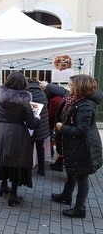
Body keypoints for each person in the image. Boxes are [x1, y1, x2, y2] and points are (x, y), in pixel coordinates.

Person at [40, 74, 103, 218]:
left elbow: (81, 130)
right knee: (72, 171)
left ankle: (80, 209)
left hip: (84, 147)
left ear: (80, 87)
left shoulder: (86, 105)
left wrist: (62, 127)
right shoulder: (76, 98)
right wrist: (47, 85)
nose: (69, 87)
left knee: (81, 176)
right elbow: (62, 91)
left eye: (72, 85)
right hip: (75, 145)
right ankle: (66, 196)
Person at [0, 71, 40, 206]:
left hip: (1, 131)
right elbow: (31, 123)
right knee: (17, 163)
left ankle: (3, 185)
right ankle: (13, 194)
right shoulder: (24, 101)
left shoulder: (0, 97)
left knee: (3, 159)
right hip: (18, 133)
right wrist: (37, 119)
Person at [27, 78, 50, 176]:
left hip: (32, 125)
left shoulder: (28, 94)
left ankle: (28, 168)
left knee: (29, 148)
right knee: (40, 148)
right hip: (42, 126)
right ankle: (42, 170)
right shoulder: (42, 93)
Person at [46, 91, 64, 171]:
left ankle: (59, 162)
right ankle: (59, 161)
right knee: (60, 143)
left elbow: (51, 115)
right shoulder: (61, 98)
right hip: (62, 124)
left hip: (56, 124)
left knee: (56, 141)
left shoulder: (54, 100)